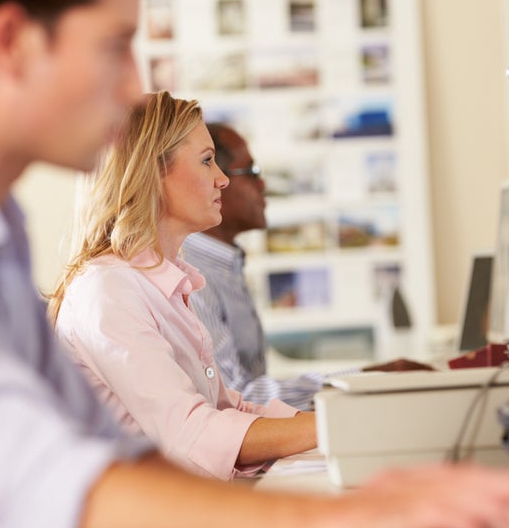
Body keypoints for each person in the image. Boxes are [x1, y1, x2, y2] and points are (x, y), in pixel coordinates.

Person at [0, 0, 509, 528]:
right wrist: (362, 516)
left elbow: (121, 462)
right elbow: (50, 500)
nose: (133, 86)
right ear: (13, 40)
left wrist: (384, 484)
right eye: (115, 44)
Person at [47, 93, 316, 481]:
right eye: (207, 161)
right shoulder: (107, 289)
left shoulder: (162, 282)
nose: (222, 178)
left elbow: (228, 409)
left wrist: (334, 422)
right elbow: (191, 435)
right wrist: (330, 428)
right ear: (151, 172)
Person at [184, 122, 432, 411]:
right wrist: (362, 380)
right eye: (251, 173)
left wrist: (362, 380)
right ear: (217, 183)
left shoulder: (225, 266)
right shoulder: (194, 276)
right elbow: (235, 396)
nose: (263, 185)